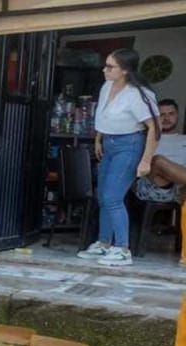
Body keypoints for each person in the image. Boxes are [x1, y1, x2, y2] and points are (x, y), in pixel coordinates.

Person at [77, 48, 160, 267]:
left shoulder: (139, 94)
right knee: (103, 196)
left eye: (110, 66)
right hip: (110, 143)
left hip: (130, 144)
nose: (105, 70)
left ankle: (123, 249)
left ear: (124, 70)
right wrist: (98, 139)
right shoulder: (107, 86)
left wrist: (146, 160)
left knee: (113, 196)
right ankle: (104, 243)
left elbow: (154, 127)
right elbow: (104, 115)